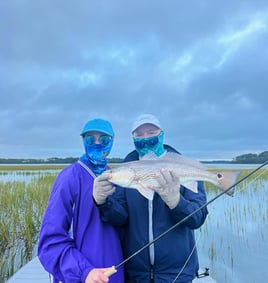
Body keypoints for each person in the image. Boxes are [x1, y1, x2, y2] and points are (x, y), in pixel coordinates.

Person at [93, 114, 208, 283]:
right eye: (139, 135)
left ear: (161, 134)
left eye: (151, 132)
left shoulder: (185, 166)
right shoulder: (127, 170)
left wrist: (176, 202)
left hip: (177, 273)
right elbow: (120, 217)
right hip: (137, 274)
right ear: (133, 138)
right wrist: (102, 202)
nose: (145, 138)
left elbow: (198, 218)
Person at [38, 118, 124, 283]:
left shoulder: (116, 178)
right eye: (91, 139)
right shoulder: (69, 177)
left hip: (114, 274)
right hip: (81, 277)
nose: (97, 144)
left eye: (104, 140)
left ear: (112, 142)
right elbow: (49, 242)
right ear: (83, 141)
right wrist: (84, 271)